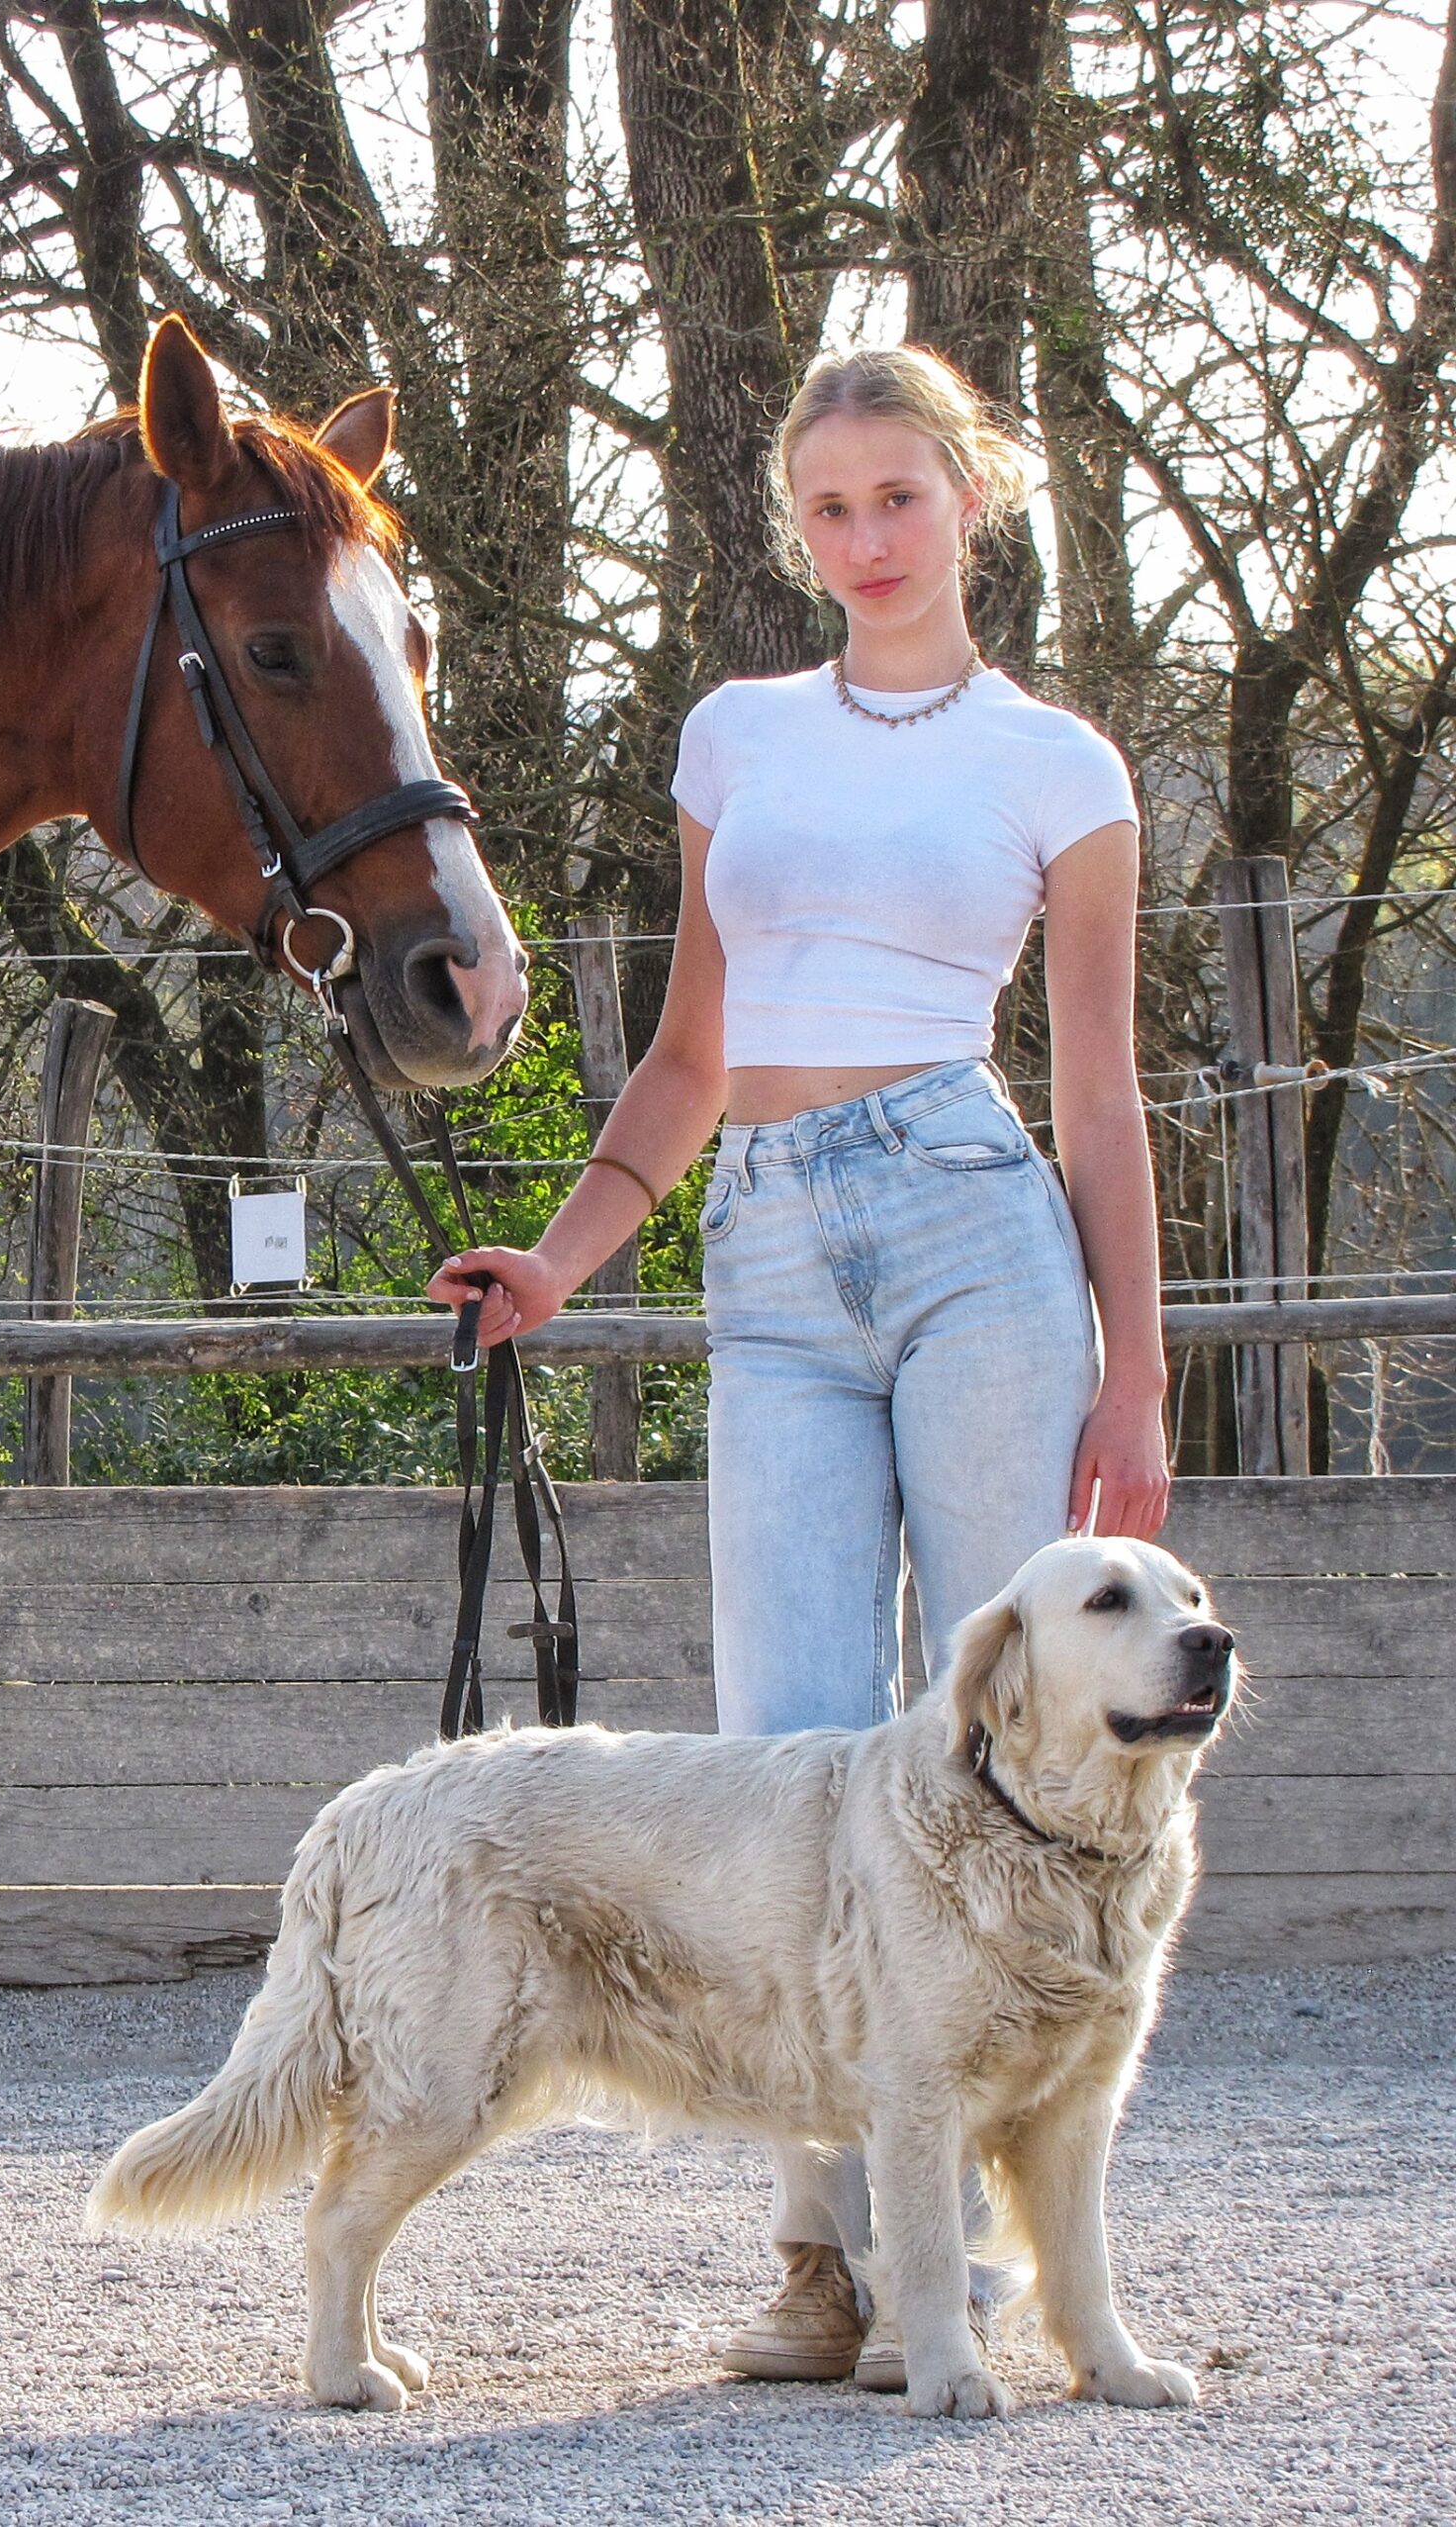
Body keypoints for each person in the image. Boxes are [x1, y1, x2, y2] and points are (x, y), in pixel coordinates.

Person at [428, 341, 1168, 2392]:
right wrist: (561, 1259)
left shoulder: (1057, 765)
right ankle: (818, 2260)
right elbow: (687, 1055)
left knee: (1007, 1737)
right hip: (762, 1241)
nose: (866, 538)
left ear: (968, 498)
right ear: (797, 525)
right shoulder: (733, 734)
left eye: (898, 497)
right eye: (829, 507)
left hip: (973, 1222)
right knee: (790, 1748)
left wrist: (1136, 1376)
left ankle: (975, 2260)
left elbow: (1099, 1098)